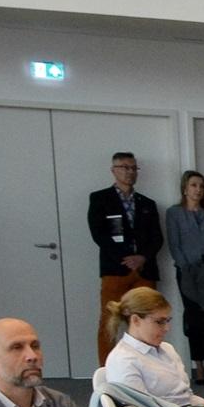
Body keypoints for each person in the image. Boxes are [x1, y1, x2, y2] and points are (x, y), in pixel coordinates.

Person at [85, 152, 164, 364]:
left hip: (144, 270)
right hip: (115, 269)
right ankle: (107, 369)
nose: (130, 172)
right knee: (109, 321)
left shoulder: (147, 203)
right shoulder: (100, 199)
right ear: (114, 170)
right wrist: (125, 258)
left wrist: (142, 258)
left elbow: (157, 237)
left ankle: (148, 365)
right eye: (124, 167)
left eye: (133, 168)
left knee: (149, 320)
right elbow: (99, 234)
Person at [163, 169, 204, 365]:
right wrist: (185, 267)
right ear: (185, 188)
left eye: (202, 186)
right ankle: (198, 363)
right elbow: (174, 243)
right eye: (193, 185)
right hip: (188, 271)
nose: (198, 190)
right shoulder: (174, 213)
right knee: (195, 317)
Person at [102, 286, 197, 407]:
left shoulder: (167, 348)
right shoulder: (123, 360)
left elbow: (185, 397)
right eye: (160, 322)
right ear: (136, 320)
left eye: (168, 321)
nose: (167, 328)